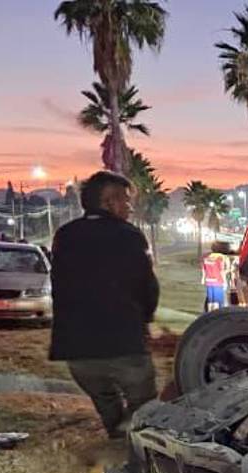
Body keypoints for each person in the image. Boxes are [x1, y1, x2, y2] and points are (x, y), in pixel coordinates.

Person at [48, 170, 159, 438]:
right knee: (144, 405)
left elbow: (58, 286)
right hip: (123, 342)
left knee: (105, 399)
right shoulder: (129, 236)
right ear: (109, 202)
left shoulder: (65, 235)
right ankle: (136, 451)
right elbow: (147, 286)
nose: (130, 208)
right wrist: (144, 320)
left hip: (77, 348)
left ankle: (116, 436)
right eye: (125, 200)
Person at [201, 242, 229, 311]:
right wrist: (225, 282)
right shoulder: (222, 258)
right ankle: (217, 316)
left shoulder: (206, 257)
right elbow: (221, 271)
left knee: (211, 300)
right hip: (218, 282)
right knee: (218, 302)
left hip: (209, 281)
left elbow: (204, 269)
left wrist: (203, 279)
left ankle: (210, 314)